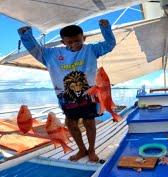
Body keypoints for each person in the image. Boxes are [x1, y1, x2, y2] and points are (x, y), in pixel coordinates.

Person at [18, 19, 116, 161]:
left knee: (89, 122)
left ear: (84, 38)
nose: (74, 44)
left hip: (89, 97)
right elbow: (35, 50)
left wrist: (105, 27)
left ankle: (92, 150)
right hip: (66, 99)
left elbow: (109, 44)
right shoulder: (51, 54)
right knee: (70, 123)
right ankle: (82, 150)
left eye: (77, 41)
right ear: (63, 42)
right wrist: (25, 35)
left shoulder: (91, 50)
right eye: (69, 42)